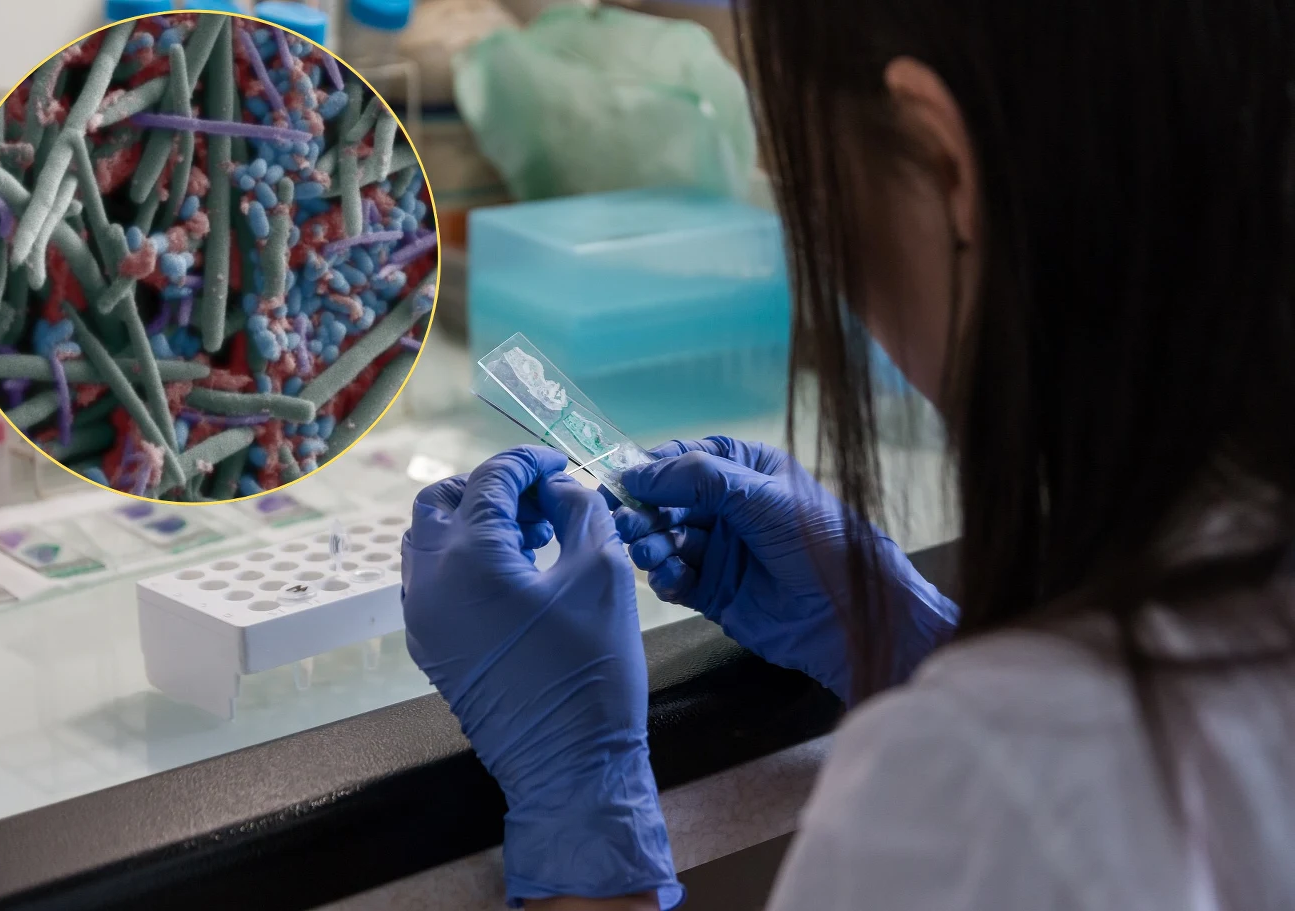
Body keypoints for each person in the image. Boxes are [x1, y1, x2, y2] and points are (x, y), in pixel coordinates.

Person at [400, 0, 1295, 907]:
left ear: (945, 164)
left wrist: (582, 802)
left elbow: (1043, 793)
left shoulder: (996, 796)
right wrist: (908, 641)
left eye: (818, 188)